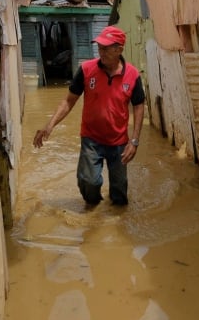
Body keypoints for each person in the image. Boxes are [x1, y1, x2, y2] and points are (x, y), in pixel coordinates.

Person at [33, 26, 145, 206]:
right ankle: (93, 215)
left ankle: (114, 222)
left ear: (119, 49)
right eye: (100, 47)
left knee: (119, 195)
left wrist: (134, 141)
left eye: (106, 48)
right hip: (91, 139)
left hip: (118, 142)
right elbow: (69, 101)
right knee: (89, 183)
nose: (101, 51)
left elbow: (139, 105)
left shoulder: (132, 75)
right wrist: (50, 125)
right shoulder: (86, 70)